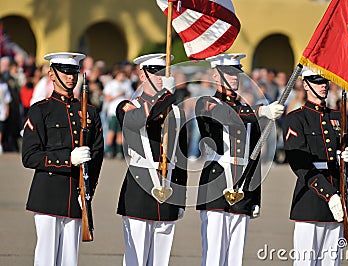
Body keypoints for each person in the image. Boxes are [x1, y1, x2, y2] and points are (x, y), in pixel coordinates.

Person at [195, 53, 284, 266]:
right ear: (215, 76)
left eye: (236, 73)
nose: (234, 78)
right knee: (214, 254)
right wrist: (261, 111)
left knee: (235, 255)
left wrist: (255, 196)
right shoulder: (207, 102)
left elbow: (254, 155)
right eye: (228, 73)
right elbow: (226, 115)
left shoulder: (246, 109)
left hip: (243, 185)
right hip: (216, 184)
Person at [21, 52, 104, 266]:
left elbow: (96, 156)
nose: (70, 77)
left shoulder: (90, 113)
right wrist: (67, 158)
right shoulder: (41, 111)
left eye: (74, 72)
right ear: (51, 74)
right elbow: (30, 156)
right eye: (65, 72)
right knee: (46, 258)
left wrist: (87, 192)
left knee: (70, 259)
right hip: (48, 194)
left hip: (76, 194)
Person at [115, 53, 187, 266]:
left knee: (160, 260)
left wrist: (180, 197)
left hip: (167, 191)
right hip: (139, 191)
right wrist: (165, 96)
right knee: (135, 258)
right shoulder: (129, 106)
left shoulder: (177, 113)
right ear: (142, 74)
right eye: (155, 72)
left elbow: (180, 158)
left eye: (164, 72)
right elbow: (142, 120)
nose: (160, 77)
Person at [282, 68, 348, 266]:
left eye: (325, 81)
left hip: (339, 195)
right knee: (306, 261)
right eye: (316, 81)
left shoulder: (339, 117)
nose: (323, 85)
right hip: (311, 197)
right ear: (305, 85)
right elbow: (300, 165)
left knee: (331, 261)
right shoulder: (296, 119)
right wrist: (329, 194)